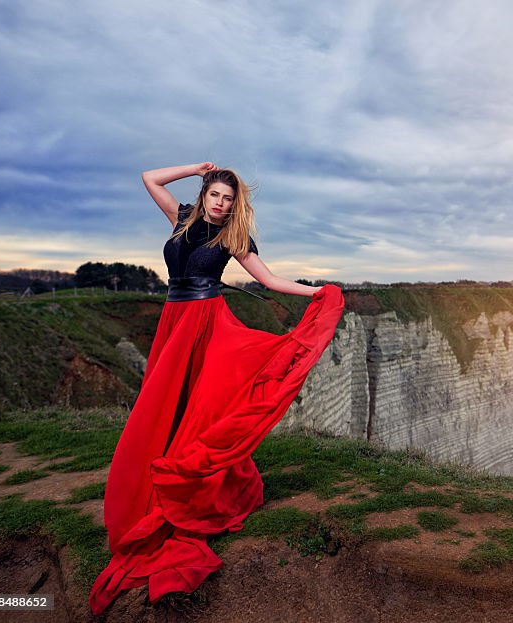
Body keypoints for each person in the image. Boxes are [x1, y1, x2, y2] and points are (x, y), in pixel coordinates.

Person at [89, 163, 344, 615]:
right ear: (205, 194)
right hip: (173, 323)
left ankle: (190, 489)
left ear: (235, 203)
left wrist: (318, 292)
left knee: (201, 407)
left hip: (206, 325)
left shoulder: (234, 236)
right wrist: (197, 167)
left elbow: (268, 281)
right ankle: (158, 483)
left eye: (229, 199)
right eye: (216, 195)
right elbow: (149, 178)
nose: (222, 204)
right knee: (165, 407)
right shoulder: (181, 216)